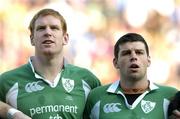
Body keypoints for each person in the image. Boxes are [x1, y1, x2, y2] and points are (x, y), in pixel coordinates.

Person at [0, 8, 101, 119]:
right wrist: (12, 113)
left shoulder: (88, 80)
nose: (48, 32)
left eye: (54, 28)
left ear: (65, 38)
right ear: (32, 39)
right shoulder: (7, 82)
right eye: (41, 28)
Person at [83, 33, 178, 119]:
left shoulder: (171, 96)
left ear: (148, 61)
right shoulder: (96, 97)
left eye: (139, 52)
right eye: (126, 53)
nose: (133, 57)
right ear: (116, 63)